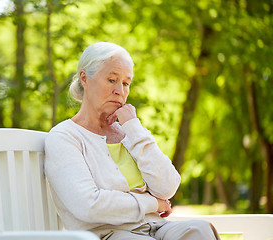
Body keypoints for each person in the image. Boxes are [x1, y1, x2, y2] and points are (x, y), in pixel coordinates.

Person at [44, 42, 220, 240]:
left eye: (126, 83)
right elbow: (88, 205)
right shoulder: (64, 137)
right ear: (85, 78)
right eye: (111, 80)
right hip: (109, 234)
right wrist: (153, 203)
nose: (120, 90)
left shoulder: (129, 131)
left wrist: (134, 128)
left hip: (157, 227)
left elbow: (168, 187)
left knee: (199, 230)